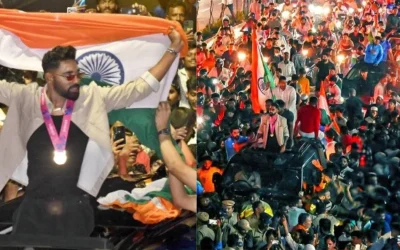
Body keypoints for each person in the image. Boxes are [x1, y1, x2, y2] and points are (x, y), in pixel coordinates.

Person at [0, 28, 183, 236]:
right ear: (50, 78)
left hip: (75, 210)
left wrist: (172, 49)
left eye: (77, 74)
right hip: (32, 208)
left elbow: (140, 88)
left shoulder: (92, 98)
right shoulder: (26, 97)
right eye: (69, 76)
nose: (76, 80)